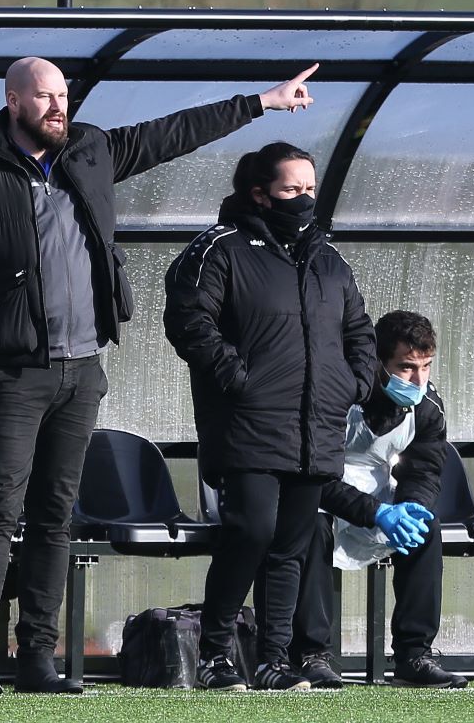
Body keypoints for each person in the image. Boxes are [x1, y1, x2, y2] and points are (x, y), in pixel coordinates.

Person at [0, 57, 320, 695]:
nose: (58, 107)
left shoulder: (91, 151)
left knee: (54, 516)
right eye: (44, 98)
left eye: (63, 96)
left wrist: (262, 102)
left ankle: (39, 659)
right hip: (11, 372)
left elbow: (172, 132)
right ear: (13, 101)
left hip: (83, 368)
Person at [164, 141, 423, 692]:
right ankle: (217, 657)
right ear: (259, 193)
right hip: (248, 424)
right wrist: (238, 376)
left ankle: (274, 660)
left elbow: (359, 331)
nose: (304, 199)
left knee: (291, 545)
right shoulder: (222, 247)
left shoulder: (329, 259)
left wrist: (352, 383)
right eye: (291, 189)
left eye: (310, 189)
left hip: (316, 426)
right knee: (250, 531)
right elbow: (189, 319)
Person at [290, 310, 468, 689]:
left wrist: (411, 505)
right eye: (406, 368)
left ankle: (413, 656)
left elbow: (424, 469)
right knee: (312, 525)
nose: (419, 379)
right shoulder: (334, 393)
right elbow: (314, 476)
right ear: (377, 363)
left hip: (380, 498)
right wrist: (377, 513)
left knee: (426, 529)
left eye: (426, 367)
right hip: (321, 496)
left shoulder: (427, 407)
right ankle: (311, 655)